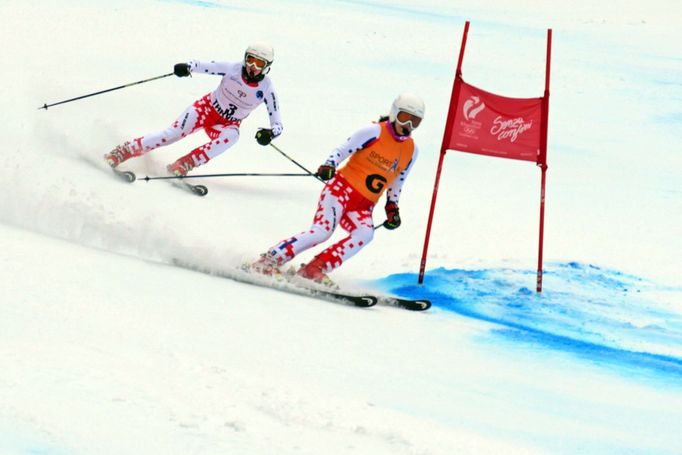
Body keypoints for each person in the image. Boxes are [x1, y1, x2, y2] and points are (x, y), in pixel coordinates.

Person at [252, 93, 425, 286]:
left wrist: (392, 206)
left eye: (415, 121)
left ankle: (314, 269)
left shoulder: (411, 150)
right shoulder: (374, 131)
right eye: (404, 117)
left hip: (363, 206)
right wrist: (329, 165)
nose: (408, 125)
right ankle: (268, 261)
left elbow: (398, 180)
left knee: (365, 234)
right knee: (322, 231)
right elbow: (342, 149)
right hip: (340, 192)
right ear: (394, 113)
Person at [104, 42, 283, 176]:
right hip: (205, 110)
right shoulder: (233, 69)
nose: (252, 66)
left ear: (267, 67)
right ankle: (124, 151)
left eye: (259, 63)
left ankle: (185, 164)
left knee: (233, 137)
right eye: (250, 59)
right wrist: (187, 67)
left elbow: (278, 124)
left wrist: (270, 134)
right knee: (170, 135)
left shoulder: (267, 89)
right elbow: (203, 65)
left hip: (226, 124)